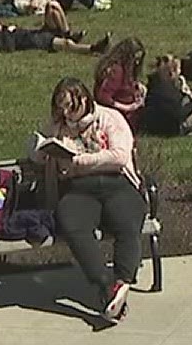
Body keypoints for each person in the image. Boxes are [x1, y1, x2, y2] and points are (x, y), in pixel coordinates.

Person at [31, 78, 145, 322]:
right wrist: (41, 152)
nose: (67, 115)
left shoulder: (110, 118)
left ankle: (122, 279)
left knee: (127, 223)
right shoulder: (58, 125)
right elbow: (39, 151)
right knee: (73, 224)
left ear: (84, 100)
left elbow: (120, 156)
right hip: (79, 189)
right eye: (61, 109)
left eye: (71, 108)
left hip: (116, 182)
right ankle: (107, 286)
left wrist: (80, 162)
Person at [142, 54, 192, 136]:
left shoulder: (155, 84)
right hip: (173, 127)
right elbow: (179, 112)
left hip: (161, 122)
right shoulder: (165, 88)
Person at [0, 15, 107, 55]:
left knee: (53, 7)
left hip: (36, 33)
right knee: (66, 46)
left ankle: (68, 34)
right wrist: (8, 33)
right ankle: (93, 48)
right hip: (34, 40)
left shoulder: (3, 30)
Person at [93, 38, 147, 128]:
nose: (137, 62)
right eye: (135, 59)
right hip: (118, 115)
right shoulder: (117, 71)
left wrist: (138, 87)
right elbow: (103, 97)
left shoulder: (128, 69)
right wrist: (128, 107)